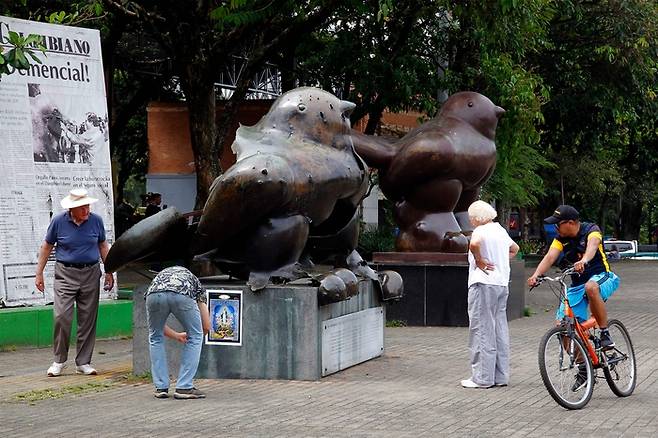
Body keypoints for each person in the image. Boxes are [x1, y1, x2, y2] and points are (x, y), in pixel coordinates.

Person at [527, 205, 620, 390]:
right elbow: (550, 257)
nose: (555, 228)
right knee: (562, 326)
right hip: (577, 285)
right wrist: (536, 275)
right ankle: (584, 367)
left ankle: (604, 334)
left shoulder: (591, 230)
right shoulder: (560, 239)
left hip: (602, 277)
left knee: (591, 287)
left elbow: (593, 246)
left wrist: (584, 261)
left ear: (570, 223)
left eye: (557, 224)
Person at [35, 188, 115, 377]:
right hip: (65, 273)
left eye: (88, 206)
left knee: (88, 318)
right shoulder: (58, 222)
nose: (86, 210)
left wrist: (110, 270)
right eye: (82, 207)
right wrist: (38, 274)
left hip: (90, 272)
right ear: (72, 209)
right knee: (62, 316)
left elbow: (103, 245)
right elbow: (47, 246)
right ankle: (59, 360)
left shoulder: (96, 221)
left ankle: (83, 362)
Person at [461, 201, 519, 389]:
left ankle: (482, 378)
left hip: (483, 283)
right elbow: (515, 249)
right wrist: (501, 260)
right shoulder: (500, 230)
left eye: (471, 218)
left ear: (477, 218)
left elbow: (474, 244)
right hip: (501, 283)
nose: (470, 222)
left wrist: (480, 260)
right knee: (499, 328)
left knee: (481, 329)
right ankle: (500, 376)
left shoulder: (480, 230)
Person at [145, 266, 210, 399]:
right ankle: (184, 387)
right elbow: (206, 326)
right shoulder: (195, 282)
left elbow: (156, 328)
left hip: (153, 294)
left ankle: (160, 387)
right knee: (196, 336)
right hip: (182, 293)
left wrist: (176, 335)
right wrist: (198, 334)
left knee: (155, 336)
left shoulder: (159, 279)